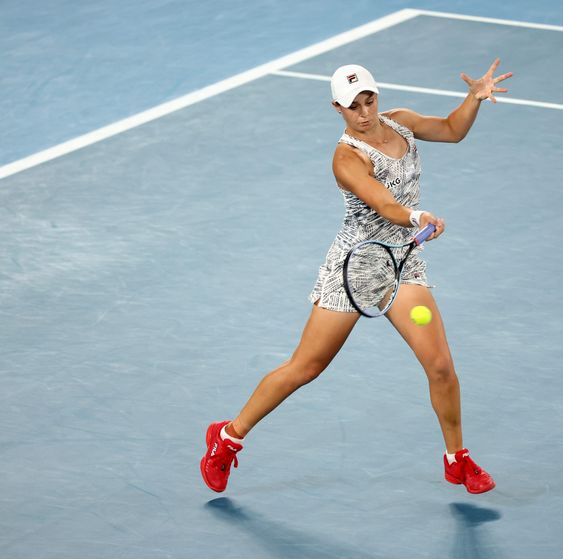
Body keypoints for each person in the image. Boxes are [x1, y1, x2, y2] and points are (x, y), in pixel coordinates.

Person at [201, 59, 512, 495]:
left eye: (369, 100)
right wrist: (417, 215)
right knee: (306, 367)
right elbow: (383, 203)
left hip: (402, 262)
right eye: (353, 106)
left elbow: (451, 129)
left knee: (441, 367)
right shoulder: (345, 157)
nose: (364, 112)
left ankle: (456, 459)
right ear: (338, 109)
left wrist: (473, 99)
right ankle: (228, 437)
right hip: (355, 268)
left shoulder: (400, 123)